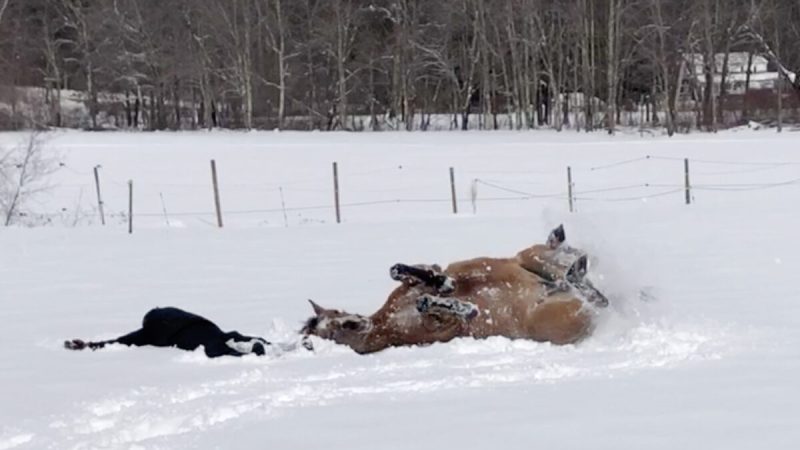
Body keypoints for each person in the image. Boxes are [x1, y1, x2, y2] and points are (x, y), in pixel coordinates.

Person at [64, 306, 278, 358]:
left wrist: (91, 345)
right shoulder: (173, 313)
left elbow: (121, 341)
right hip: (207, 326)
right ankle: (264, 344)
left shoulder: (148, 330)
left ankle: (251, 354)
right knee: (228, 336)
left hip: (191, 337)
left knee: (217, 349)